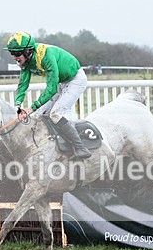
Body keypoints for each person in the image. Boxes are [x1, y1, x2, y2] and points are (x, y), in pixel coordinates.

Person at [7, 31, 91, 160]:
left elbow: (51, 89)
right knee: (38, 115)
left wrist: (31, 107)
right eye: (12, 53)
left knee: (55, 114)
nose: (14, 57)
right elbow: (23, 84)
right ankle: (52, 145)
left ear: (28, 51)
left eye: (17, 53)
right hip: (61, 82)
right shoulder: (25, 62)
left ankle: (81, 148)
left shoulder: (46, 56)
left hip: (75, 80)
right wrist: (18, 105)